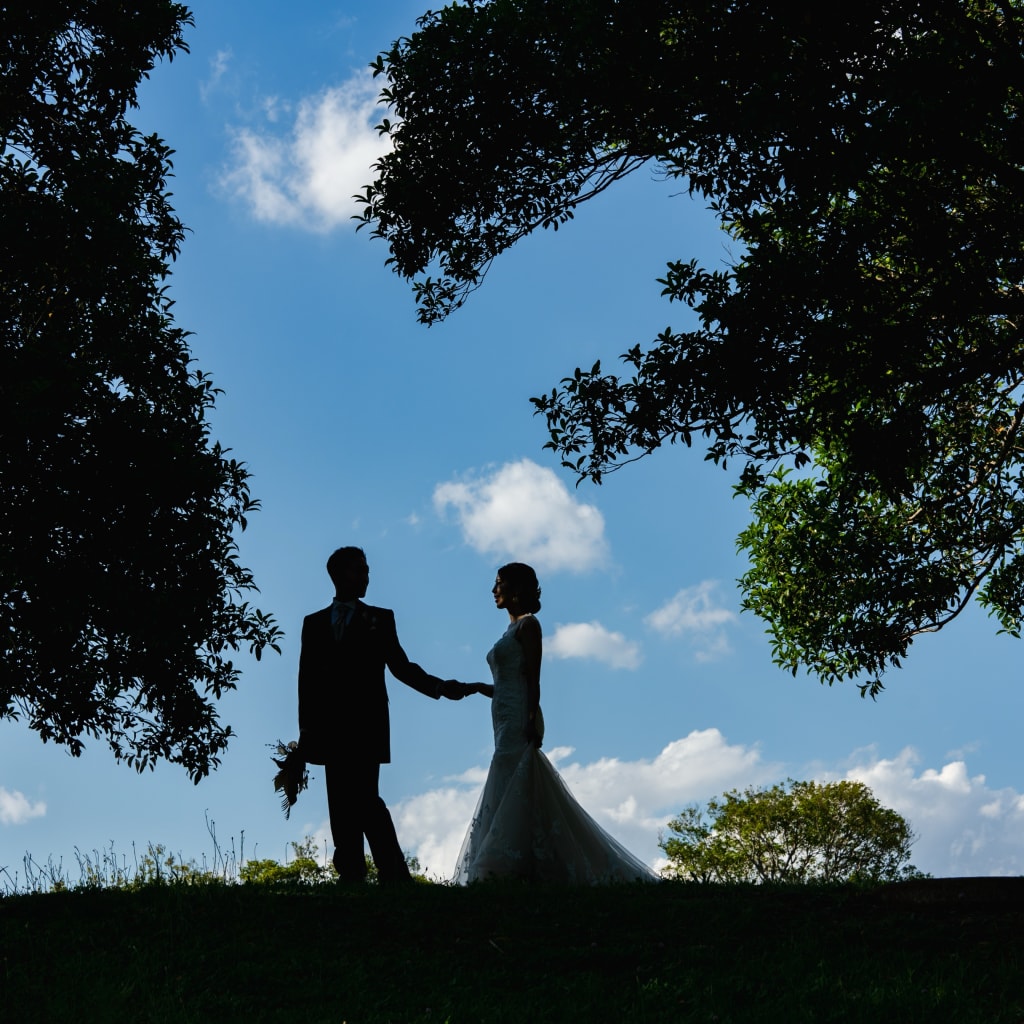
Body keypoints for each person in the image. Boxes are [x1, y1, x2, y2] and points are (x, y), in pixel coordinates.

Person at [453, 562, 657, 884]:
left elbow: (532, 679)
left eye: (499, 583)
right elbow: (508, 683)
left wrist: (531, 720)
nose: (494, 591)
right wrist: (479, 688)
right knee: (509, 781)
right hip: (501, 716)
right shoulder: (508, 630)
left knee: (516, 776)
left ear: (516, 589)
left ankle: (510, 862)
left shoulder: (529, 626)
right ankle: (517, 860)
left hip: (519, 716)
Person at [297, 546, 468, 884]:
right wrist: (306, 730)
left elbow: (401, 666)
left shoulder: (381, 618)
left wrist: (438, 686)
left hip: (366, 725)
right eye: (359, 570)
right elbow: (306, 680)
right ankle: (352, 875)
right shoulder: (313, 623)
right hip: (330, 729)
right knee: (340, 804)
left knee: (366, 799)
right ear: (338, 575)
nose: (366, 577)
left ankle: (393, 874)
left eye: (367, 570)